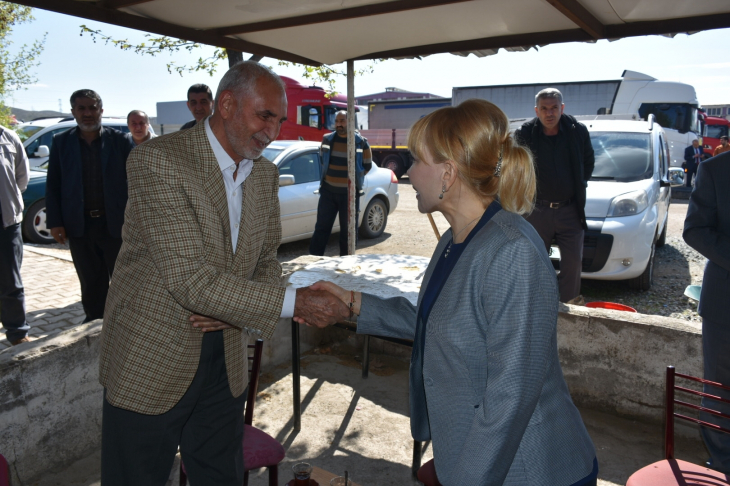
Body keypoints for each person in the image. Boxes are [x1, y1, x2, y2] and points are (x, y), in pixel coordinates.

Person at [301, 99, 598, 485]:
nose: (407, 172)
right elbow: (443, 322)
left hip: (527, 468)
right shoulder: (455, 240)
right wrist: (354, 303)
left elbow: (511, 395)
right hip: (475, 454)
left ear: (447, 173)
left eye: (416, 160)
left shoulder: (512, 251)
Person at [98, 61, 348, 485]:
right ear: (228, 104)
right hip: (152, 355)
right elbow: (191, 282)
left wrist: (232, 310)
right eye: (264, 116)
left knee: (221, 475)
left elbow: (268, 260)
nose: (272, 131)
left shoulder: (265, 174)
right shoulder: (159, 161)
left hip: (226, 358)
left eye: (279, 120)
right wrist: (297, 302)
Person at [46, 89, 134, 323]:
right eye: (81, 108)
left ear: (101, 110)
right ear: (73, 111)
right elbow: (53, 184)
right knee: (90, 281)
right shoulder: (61, 142)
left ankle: (125, 324)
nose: (87, 113)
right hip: (80, 225)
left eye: (92, 108)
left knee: (124, 279)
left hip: (115, 225)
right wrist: (55, 222)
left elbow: (137, 181)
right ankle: (95, 323)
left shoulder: (120, 141)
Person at [515, 88, 594, 303]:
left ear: (562, 108)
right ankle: (536, 306)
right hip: (537, 211)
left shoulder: (577, 131)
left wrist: (579, 184)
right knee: (535, 262)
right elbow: (516, 166)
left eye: (554, 108)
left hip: (570, 210)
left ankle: (570, 310)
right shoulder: (525, 133)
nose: (549, 113)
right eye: (544, 109)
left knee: (572, 265)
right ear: (536, 110)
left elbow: (588, 161)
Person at [683, 150, 730, 474]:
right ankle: (722, 464)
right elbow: (694, 230)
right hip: (725, 303)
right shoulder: (714, 170)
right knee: (720, 389)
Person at [309, 110, 372, 256]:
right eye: (337, 121)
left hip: (349, 194)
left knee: (348, 231)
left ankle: (346, 263)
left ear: (350, 122)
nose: (339, 124)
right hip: (328, 193)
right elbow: (322, 161)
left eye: (342, 121)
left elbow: (367, 165)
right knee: (321, 228)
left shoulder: (361, 142)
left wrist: (354, 180)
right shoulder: (327, 139)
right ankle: (313, 261)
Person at [0, 124, 31, 346]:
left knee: (10, 281)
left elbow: (22, 177)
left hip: (6, 223)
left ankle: (17, 333)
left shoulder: (8, 136)